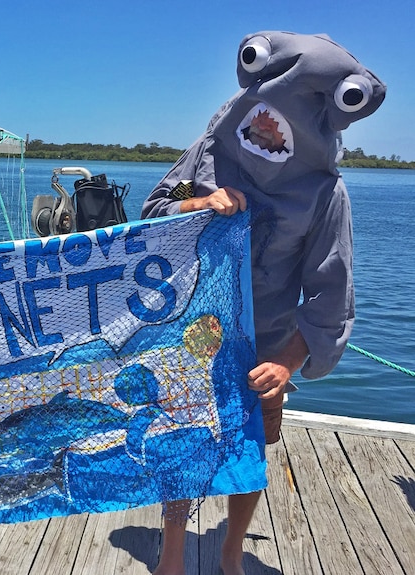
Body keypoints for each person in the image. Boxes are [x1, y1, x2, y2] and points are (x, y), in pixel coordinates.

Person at [140, 32, 385, 575]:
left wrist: (288, 361)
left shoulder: (325, 195)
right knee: (180, 441)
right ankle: (172, 554)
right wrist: (197, 201)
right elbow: (154, 209)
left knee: (250, 450)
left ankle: (231, 553)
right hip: (189, 335)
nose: (273, 122)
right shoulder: (207, 153)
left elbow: (329, 292)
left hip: (266, 344)